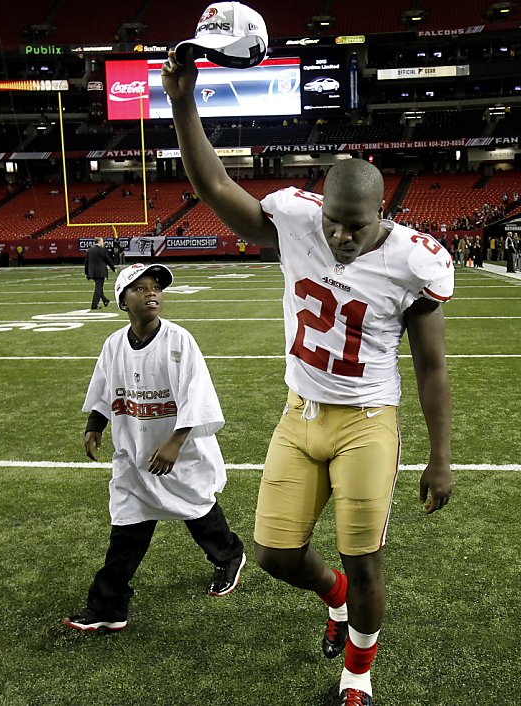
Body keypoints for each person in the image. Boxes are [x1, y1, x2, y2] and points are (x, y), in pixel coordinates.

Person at [163, 52, 454, 706]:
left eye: (356, 226)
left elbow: (431, 366)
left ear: (383, 214)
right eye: (333, 223)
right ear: (317, 207)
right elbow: (215, 190)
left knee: (364, 557)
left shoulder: (413, 260)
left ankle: (357, 680)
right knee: (274, 553)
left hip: (367, 420)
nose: (342, 238)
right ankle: (336, 601)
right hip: (299, 415)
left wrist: (439, 458)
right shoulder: (297, 219)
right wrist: (183, 104)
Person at [64, 262, 246, 632]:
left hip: (181, 454)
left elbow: (199, 396)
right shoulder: (114, 345)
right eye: (140, 288)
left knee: (198, 511)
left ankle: (230, 555)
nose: (152, 293)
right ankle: (108, 607)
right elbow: (103, 388)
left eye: (156, 287)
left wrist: (175, 443)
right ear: (122, 301)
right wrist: (95, 426)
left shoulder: (179, 341)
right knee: (127, 529)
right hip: (134, 455)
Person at [85, 236, 116, 309]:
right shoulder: (102, 250)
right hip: (100, 272)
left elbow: (86, 263)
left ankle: (105, 300)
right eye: (102, 241)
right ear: (99, 242)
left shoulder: (90, 250)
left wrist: (86, 273)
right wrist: (113, 268)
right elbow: (108, 260)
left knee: (98, 287)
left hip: (92, 272)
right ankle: (94, 305)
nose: (103, 243)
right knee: (98, 288)